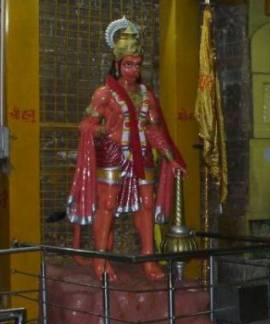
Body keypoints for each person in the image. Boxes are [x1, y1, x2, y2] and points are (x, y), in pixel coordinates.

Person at [66, 17, 185, 282]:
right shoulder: (104, 93)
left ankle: (147, 260)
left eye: (137, 65)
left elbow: (154, 129)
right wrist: (104, 129)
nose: (133, 70)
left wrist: (170, 157)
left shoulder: (146, 94)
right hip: (112, 153)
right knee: (107, 204)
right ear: (118, 64)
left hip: (142, 155)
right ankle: (100, 259)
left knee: (146, 204)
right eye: (128, 64)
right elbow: (85, 124)